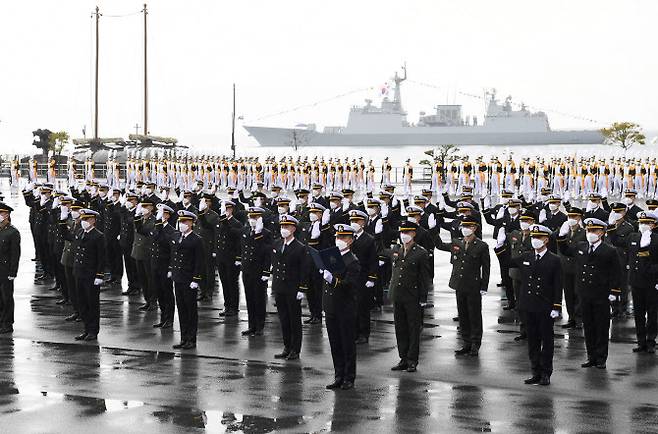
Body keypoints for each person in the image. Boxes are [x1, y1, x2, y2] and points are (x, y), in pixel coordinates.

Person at [557, 218, 621, 369]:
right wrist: (561, 237)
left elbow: (616, 273)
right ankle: (591, 356)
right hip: (584, 294)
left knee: (601, 328)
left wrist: (614, 291)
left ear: (602, 232)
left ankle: (601, 358)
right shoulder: (581, 246)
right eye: (588, 230)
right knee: (589, 327)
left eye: (594, 231)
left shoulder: (609, 250)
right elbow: (566, 251)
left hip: (601, 294)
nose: (590, 233)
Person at [514, 224, 562, 386]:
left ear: (546, 240)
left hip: (545, 306)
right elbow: (508, 262)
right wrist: (500, 247)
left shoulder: (554, 260)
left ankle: (546, 373)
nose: (535, 240)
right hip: (528, 305)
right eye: (533, 237)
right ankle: (535, 371)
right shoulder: (527, 257)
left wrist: (557, 306)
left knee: (546, 341)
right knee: (532, 341)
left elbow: (558, 285)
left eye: (538, 238)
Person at [435, 216, 490, 357]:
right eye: (463, 226)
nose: (465, 229)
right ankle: (466, 343)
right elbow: (440, 245)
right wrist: (433, 231)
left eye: (468, 226)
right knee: (463, 315)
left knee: (474, 315)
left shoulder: (481, 246)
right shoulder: (457, 243)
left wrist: (484, 286)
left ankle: (475, 343)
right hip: (459, 285)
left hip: (473, 285)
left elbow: (486, 267)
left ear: (474, 228)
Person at [389, 220, 432, 372]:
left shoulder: (421, 253)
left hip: (412, 296)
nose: (404, 235)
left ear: (413, 234)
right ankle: (403, 358)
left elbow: (423, 278)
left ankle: (412, 359)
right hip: (397, 295)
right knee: (400, 328)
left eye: (407, 232)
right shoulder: (397, 250)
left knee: (413, 329)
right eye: (402, 232)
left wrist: (423, 298)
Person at [322, 224, 361, 390]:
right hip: (331, 306)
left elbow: (350, 285)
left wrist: (333, 280)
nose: (340, 240)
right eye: (338, 237)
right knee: (335, 343)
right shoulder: (333, 256)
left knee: (347, 344)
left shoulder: (352, 261)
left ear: (351, 240)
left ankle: (349, 377)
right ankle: (338, 375)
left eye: (344, 237)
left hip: (345, 307)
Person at [63, 208, 105, 341]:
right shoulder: (80, 232)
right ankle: (86, 329)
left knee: (92, 303)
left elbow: (101, 258)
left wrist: (99, 275)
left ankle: (93, 330)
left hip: (91, 274)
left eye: (86, 219)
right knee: (82, 303)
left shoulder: (98, 236)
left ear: (93, 220)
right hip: (79, 272)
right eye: (82, 219)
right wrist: (63, 220)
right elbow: (67, 237)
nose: (83, 222)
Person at [271, 214, 309, 361]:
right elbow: (275, 265)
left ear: (293, 228)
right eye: (282, 227)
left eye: (286, 227)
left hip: (292, 288)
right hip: (280, 287)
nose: (283, 229)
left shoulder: (300, 247)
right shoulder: (277, 244)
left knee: (294, 320)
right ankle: (287, 346)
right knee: (284, 319)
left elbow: (304, 270)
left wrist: (302, 288)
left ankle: (295, 349)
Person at [170, 210, 204, 349]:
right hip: (178, 278)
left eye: (185, 221)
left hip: (189, 279)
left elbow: (199, 261)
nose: (182, 224)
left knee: (190, 310)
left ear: (192, 223)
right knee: (182, 309)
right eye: (181, 221)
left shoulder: (197, 239)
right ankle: (184, 338)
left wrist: (196, 279)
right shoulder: (178, 236)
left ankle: (191, 339)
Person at [626, 212, 658, 353]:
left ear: (653, 224)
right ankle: (641, 342)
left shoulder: (656, 239)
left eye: (647, 223)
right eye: (641, 222)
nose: (643, 225)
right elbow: (628, 254)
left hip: (652, 281)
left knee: (652, 313)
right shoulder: (633, 237)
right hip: (636, 280)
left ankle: (651, 341)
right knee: (638, 313)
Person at [240, 206, 273, 337]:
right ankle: (251, 325)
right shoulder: (245, 230)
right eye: (250, 217)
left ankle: (259, 325)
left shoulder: (266, 233)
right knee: (249, 298)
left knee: (259, 299)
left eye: (255, 217)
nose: (252, 220)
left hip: (259, 270)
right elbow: (243, 249)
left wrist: (266, 272)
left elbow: (266, 253)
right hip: (247, 269)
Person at [347, 210, 378, 344]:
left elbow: (373, 260)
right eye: (352, 221)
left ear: (363, 223)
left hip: (363, 277)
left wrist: (372, 278)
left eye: (356, 221)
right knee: (351, 307)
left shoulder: (369, 239)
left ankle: (364, 333)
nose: (353, 223)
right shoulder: (348, 237)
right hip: (350, 277)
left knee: (362, 307)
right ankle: (353, 332)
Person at [151, 204, 177, 329]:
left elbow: (171, 250)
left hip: (165, 266)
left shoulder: (171, 231)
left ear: (167, 215)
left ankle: (169, 318)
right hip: (156, 265)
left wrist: (171, 268)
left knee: (167, 293)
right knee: (159, 292)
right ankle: (163, 317)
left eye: (162, 214)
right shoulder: (157, 228)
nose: (159, 216)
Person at [0, 203, 20, 334]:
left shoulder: (12, 232)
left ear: (6, 215)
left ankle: (7, 323)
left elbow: (15, 254)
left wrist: (13, 272)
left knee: (6, 297)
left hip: (5, 269)